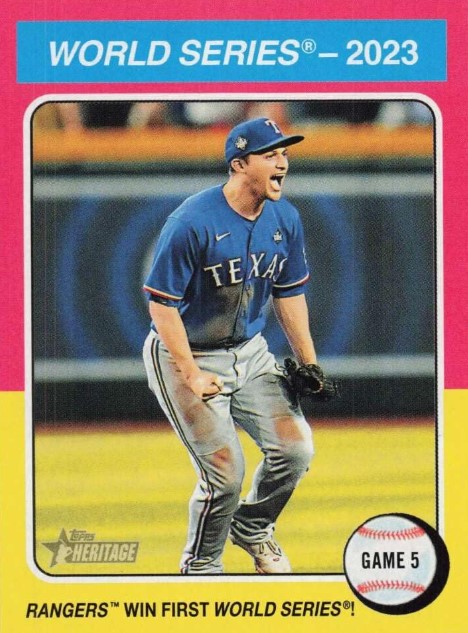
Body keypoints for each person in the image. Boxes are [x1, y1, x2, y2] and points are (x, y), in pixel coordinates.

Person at [142, 117, 323, 575]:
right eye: (271, 154)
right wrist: (190, 373)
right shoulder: (191, 222)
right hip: (186, 352)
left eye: (285, 153)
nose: (283, 163)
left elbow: (289, 292)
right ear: (240, 164)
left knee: (296, 451)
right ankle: (202, 567)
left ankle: (252, 526)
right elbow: (162, 306)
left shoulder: (285, 218)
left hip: (250, 351)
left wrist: (309, 363)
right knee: (225, 474)